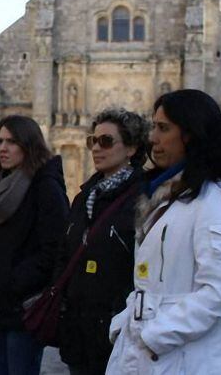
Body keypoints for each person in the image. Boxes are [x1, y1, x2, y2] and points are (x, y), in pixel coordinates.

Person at [106, 89, 221, 374]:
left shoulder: (219, 201)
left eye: (163, 128)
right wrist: (126, 323)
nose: (153, 138)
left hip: (191, 359)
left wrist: (153, 336)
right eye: (154, 127)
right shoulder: (165, 196)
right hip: (150, 354)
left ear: (191, 133)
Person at [0, 115, 68, 375]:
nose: (3, 148)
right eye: (0, 141)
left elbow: (55, 249)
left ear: (29, 145)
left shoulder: (46, 187)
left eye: (12, 142)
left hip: (23, 309)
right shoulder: (0, 187)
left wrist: (13, 283)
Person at [56, 108, 149, 375]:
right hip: (78, 330)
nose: (96, 148)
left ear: (131, 148)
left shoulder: (144, 198)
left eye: (106, 141)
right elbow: (65, 252)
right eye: (92, 141)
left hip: (118, 330)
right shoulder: (84, 197)